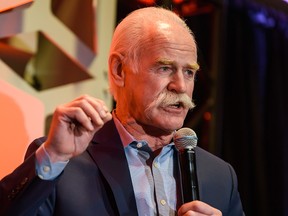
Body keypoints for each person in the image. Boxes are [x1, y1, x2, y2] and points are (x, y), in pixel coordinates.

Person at [0, 6, 244, 216]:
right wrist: (53, 156)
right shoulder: (64, 162)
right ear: (119, 70)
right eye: (164, 68)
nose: (180, 86)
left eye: (189, 72)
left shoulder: (220, 176)